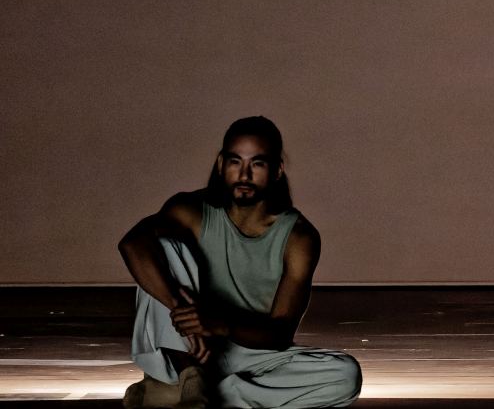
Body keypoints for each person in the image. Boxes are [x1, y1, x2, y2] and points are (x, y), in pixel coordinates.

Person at [117, 116, 361, 408]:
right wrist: (183, 310)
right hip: (189, 346)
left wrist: (219, 325)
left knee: (345, 375)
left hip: (250, 352)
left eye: (257, 164)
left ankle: (194, 394)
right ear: (221, 165)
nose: (244, 174)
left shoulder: (299, 237)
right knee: (162, 246)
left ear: (277, 170)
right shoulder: (191, 211)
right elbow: (132, 243)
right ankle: (188, 378)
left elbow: (280, 332)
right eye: (235, 162)